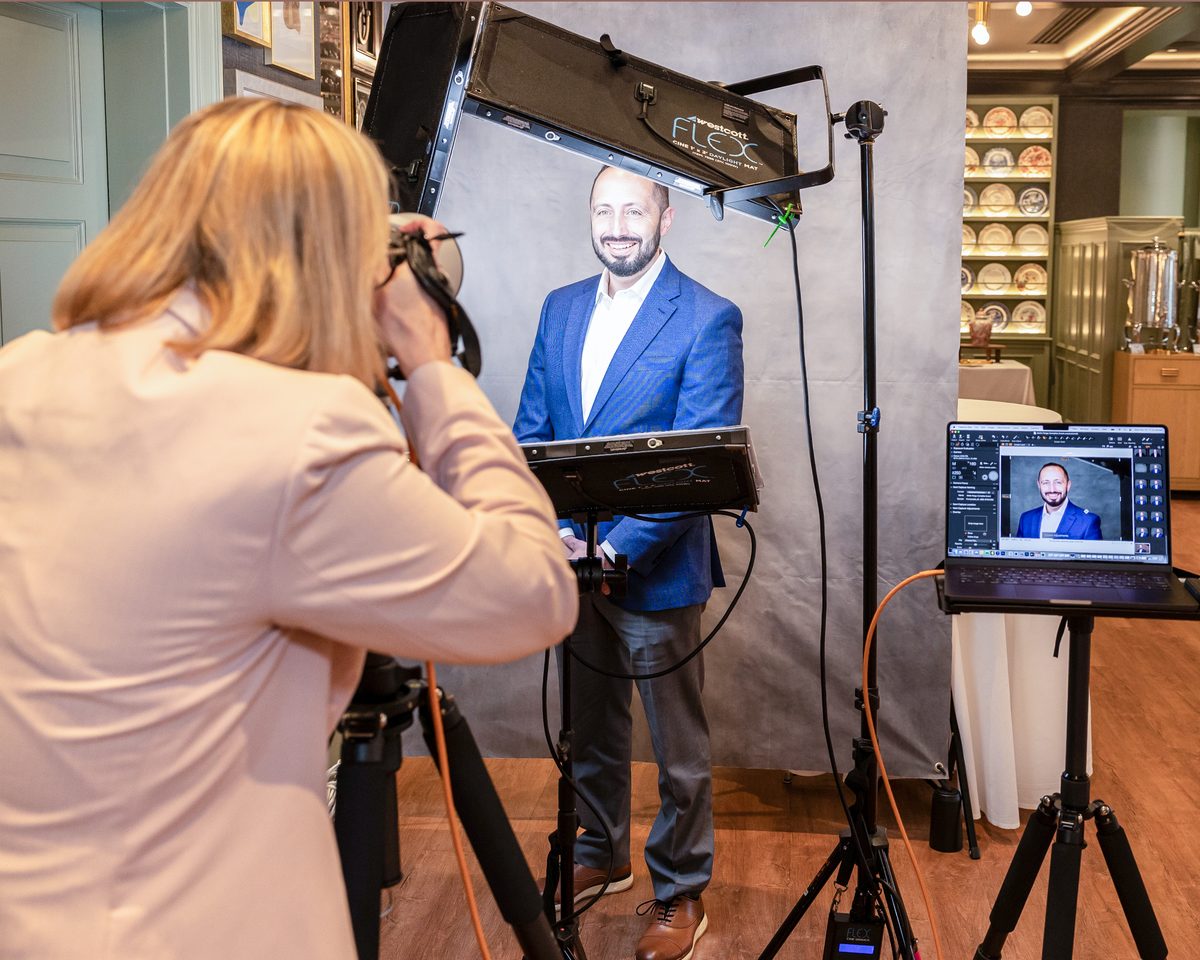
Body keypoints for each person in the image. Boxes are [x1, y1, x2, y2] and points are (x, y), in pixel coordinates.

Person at [0, 98, 578, 960]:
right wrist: (429, 362)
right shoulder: (297, 432)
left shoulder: (23, 370)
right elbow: (534, 594)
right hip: (203, 921)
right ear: (325, 254)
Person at [514, 165, 744, 960]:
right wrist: (554, 531)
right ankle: (598, 852)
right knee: (590, 731)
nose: (617, 226)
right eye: (604, 210)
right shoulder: (560, 308)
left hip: (657, 570)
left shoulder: (709, 318)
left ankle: (680, 892)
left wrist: (614, 545)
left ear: (666, 219)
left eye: (633, 211)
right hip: (568, 564)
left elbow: (694, 465)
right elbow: (531, 433)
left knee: (677, 750)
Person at [1015, 461, 1103, 539]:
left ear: (1068, 485)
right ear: (1039, 485)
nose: (1052, 489)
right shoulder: (1026, 519)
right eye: (1046, 483)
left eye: (1058, 482)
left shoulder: (1088, 521)